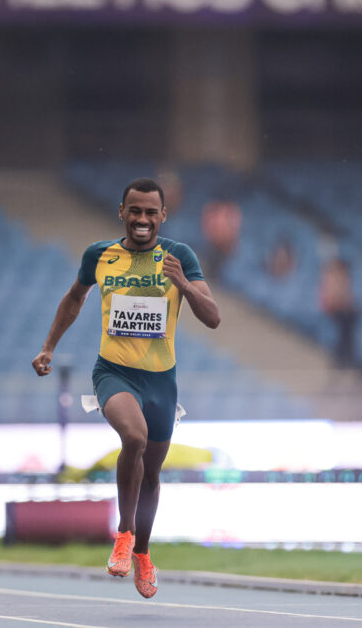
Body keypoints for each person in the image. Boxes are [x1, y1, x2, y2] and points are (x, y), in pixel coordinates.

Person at [32, 178, 220, 598]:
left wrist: (185, 285)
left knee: (151, 474)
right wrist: (48, 348)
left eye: (150, 212)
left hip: (161, 381)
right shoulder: (99, 255)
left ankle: (144, 554)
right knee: (132, 437)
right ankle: (124, 534)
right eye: (134, 210)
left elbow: (213, 318)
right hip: (113, 372)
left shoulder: (179, 256)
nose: (142, 219)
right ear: (122, 212)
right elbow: (74, 299)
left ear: (162, 216)